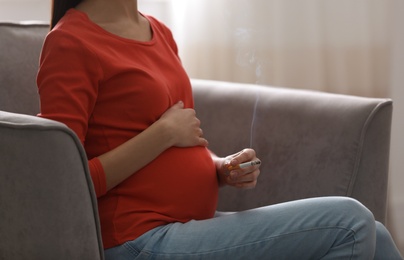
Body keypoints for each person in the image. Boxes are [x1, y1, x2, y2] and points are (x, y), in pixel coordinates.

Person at [37, 0, 403, 259]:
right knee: (350, 222)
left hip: (190, 224)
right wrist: (161, 135)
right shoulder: (70, 42)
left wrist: (220, 167)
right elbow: (64, 184)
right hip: (137, 240)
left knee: (377, 233)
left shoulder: (158, 31)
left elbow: (183, 139)